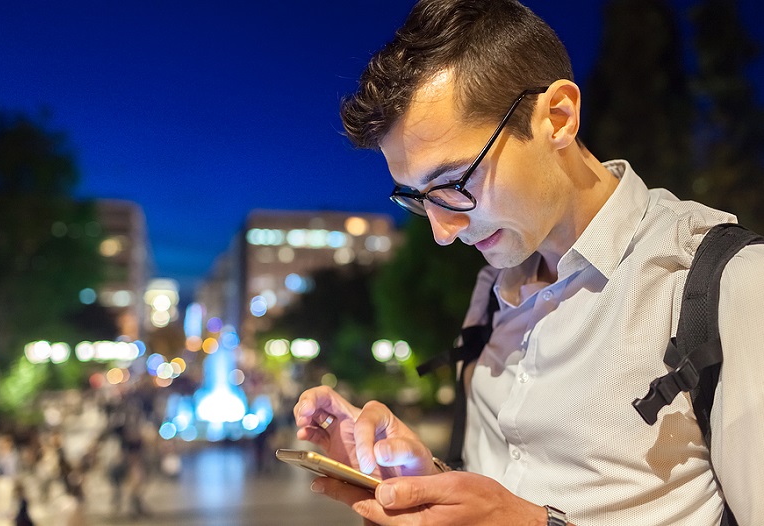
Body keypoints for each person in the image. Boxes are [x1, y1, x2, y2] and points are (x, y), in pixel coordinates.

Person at [293, 0, 764, 524]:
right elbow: (504, 493)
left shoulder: (727, 285)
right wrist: (424, 481)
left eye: (453, 184)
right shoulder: (490, 294)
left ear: (558, 117)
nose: (442, 233)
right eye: (417, 197)